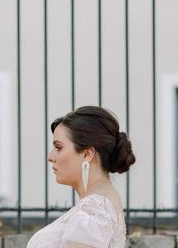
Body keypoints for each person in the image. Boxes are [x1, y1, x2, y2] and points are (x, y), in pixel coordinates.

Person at [27, 106, 136, 248]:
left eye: (59, 147)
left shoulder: (91, 214)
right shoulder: (99, 206)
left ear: (87, 154)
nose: (50, 157)